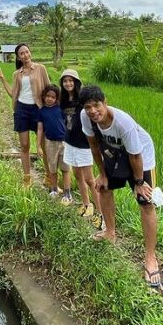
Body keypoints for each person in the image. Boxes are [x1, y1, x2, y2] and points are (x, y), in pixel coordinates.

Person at [79, 85, 161, 288]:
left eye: (96, 105)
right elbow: (94, 146)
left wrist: (139, 183)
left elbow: (135, 156)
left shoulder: (123, 124)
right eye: (88, 107)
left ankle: (150, 257)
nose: (93, 111)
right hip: (114, 152)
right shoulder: (85, 117)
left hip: (141, 155)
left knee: (145, 202)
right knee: (104, 188)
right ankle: (110, 233)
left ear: (105, 103)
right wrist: (103, 174)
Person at [0, 43, 52, 187]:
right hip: (21, 110)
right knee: (25, 146)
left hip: (38, 109)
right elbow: (13, 94)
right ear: (18, 58)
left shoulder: (40, 69)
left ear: (30, 53)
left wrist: (52, 109)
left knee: (44, 145)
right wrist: (3, 80)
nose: (25, 55)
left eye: (27, 52)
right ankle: (27, 179)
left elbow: (49, 89)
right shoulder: (16, 74)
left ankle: (49, 177)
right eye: (22, 54)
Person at [59, 69, 102, 224]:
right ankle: (86, 204)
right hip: (70, 142)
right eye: (65, 81)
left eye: (71, 80)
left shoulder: (82, 100)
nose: (68, 83)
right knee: (77, 176)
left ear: (76, 82)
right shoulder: (62, 101)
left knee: (90, 179)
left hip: (84, 145)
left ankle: (99, 211)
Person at [37, 85, 72, 204]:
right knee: (52, 168)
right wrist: (38, 146)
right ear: (43, 96)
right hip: (50, 143)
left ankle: (67, 193)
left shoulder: (60, 109)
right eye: (48, 96)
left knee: (66, 168)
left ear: (56, 98)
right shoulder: (41, 112)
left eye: (53, 97)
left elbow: (68, 123)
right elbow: (40, 129)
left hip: (63, 142)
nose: (49, 99)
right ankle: (54, 189)